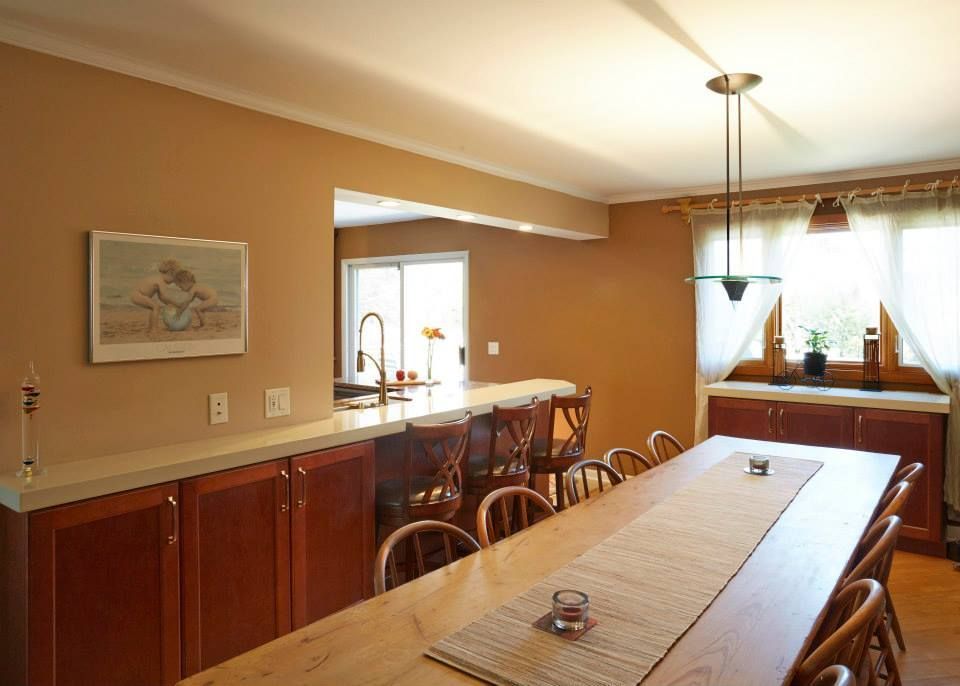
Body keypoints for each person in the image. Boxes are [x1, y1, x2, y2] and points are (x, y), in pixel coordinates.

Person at [130, 258, 180, 333]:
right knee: (156, 307)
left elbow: (161, 297)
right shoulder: (160, 281)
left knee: (153, 308)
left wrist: (168, 304)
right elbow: (164, 296)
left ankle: (151, 328)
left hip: (136, 294)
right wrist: (174, 304)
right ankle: (154, 329)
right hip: (138, 295)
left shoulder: (158, 279)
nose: (173, 282)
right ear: (170, 273)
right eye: (173, 279)